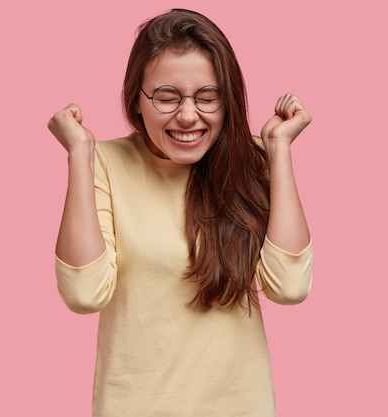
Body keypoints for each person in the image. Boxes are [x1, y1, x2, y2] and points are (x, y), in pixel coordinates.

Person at [48, 8, 313, 417]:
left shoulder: (253, 161)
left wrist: (278, 150)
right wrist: (80, 152)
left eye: (207, 97)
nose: (188, 115)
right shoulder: (103, 162)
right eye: (167, 97)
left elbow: (290, 286)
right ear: (137, 99)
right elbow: (84, 294)